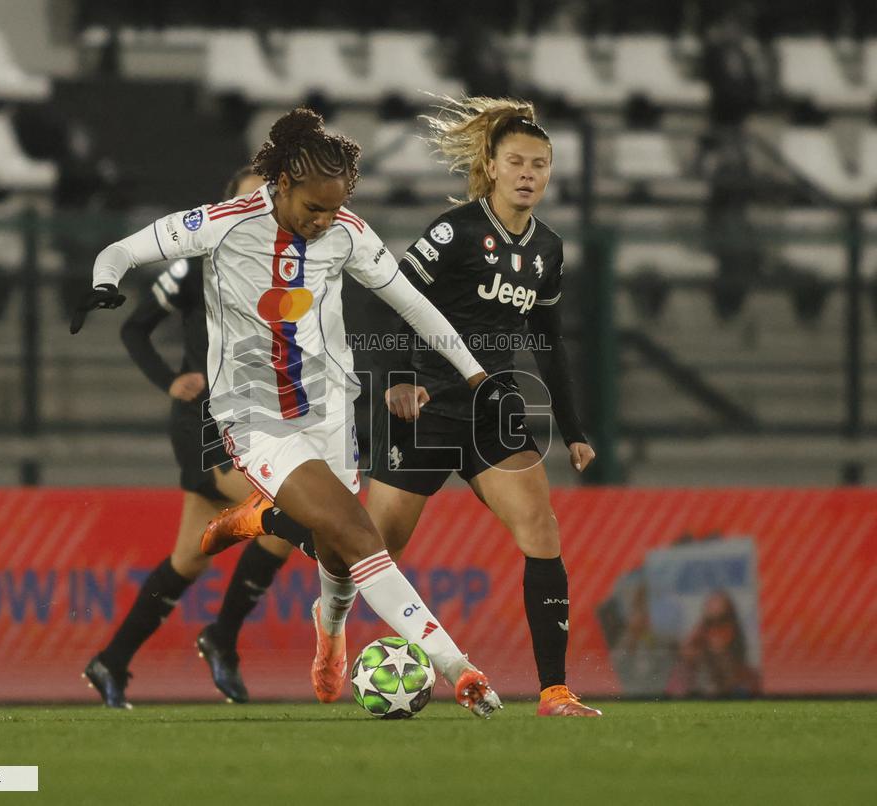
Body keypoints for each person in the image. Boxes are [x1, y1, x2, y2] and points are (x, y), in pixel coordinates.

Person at [71, 108, 507, 717]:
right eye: (314, 208)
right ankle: (459, 668)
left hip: (330, 410)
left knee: (341, 557)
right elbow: (126, 248)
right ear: (282, 185)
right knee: (358, 533)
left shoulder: (347, 233)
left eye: (334, 209)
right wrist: (102, 281)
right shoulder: (222, 224)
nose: (324, 221)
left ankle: (329, 635)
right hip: (253, 418)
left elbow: (413, 305)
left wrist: (475, 372)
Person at [209, 98, 603, 717]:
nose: (529, 173)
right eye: (517, 161)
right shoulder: (454, 233)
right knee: (359, 548)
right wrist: (398, 380)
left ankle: (553, 690)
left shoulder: (548, 249)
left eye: (541, 164)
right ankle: (268, 522)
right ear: (492, 168)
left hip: (490, 410)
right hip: (423, 408)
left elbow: (548, 343)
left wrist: (575, 429)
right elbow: (389, 301)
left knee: (542, 531)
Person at [83, 168, 310, 708]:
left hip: (253, 419)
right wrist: (170, 381)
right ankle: (222, 638)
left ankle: (110, 661)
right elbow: (134, 328)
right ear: (227, 204)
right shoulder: (196, 264)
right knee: (288, 516)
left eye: (267, 195)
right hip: (205, 420)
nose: (258, 204)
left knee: (190, 558)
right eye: (247, 195)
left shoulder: (289, 266)